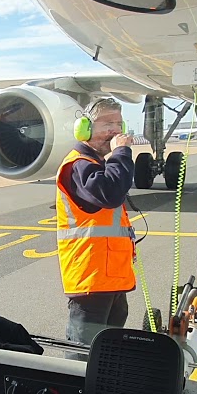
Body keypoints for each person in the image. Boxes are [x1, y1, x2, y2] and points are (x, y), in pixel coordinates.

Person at [55, 97, 138, 355]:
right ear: (85, 129)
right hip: (90, 280)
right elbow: (110, 193)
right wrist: (121, 153)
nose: (114, 131)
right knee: (82, 356)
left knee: (107, 353)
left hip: (111, 279)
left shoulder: (99, 165)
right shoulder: (78, 165)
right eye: (106, 124)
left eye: (118, 124)